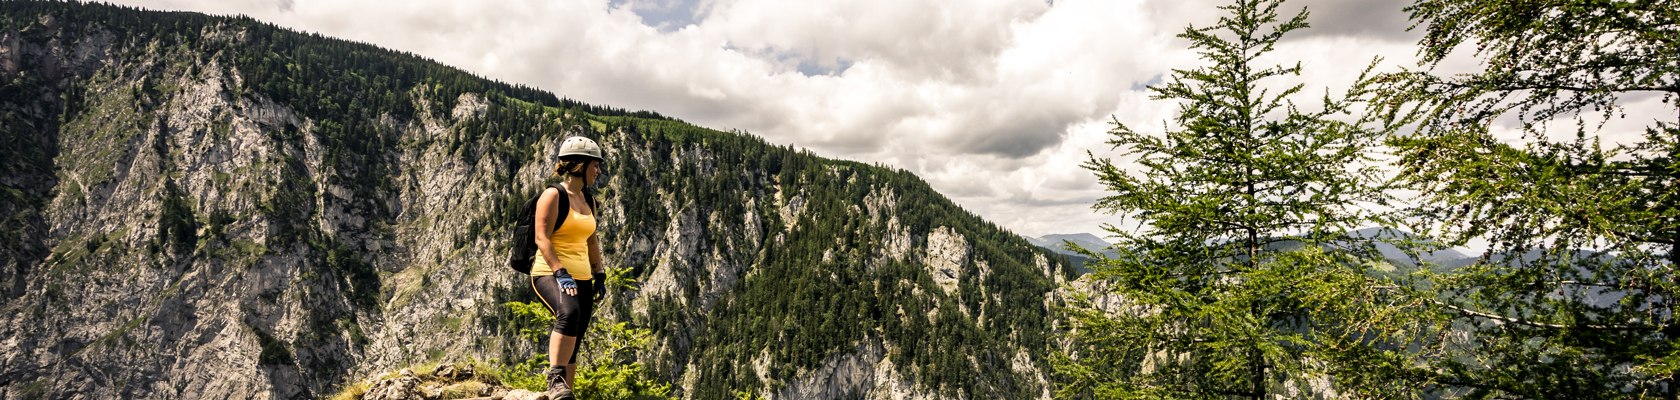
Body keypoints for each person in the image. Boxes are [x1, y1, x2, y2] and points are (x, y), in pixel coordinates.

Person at [531, 135, 608, 400]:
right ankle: (555, 380)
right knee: (568, 312)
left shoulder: (589, 201)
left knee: (576, 335)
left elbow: (591, 238)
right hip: (549, 273)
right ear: (579, 164)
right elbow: (541, 237)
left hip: (583, 276)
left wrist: (599, 273)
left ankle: (565, 394)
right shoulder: (553, 195)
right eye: (594, 165)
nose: (598, 170)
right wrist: (560, 272)